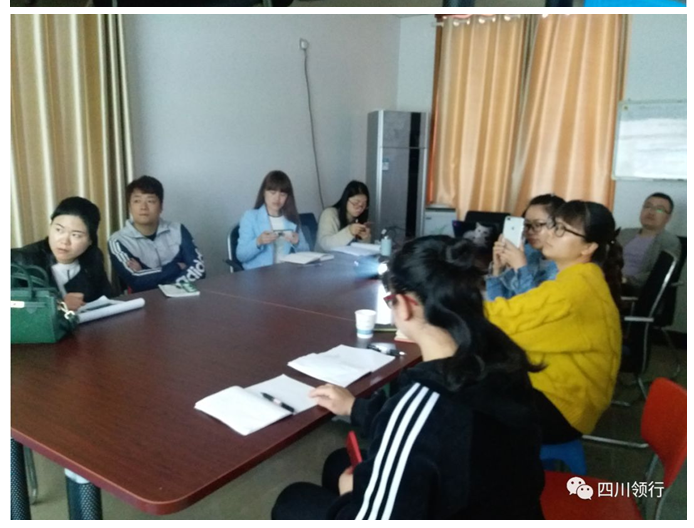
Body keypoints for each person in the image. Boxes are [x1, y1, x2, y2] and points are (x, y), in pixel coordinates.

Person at [272, 236, 545, 520]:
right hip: (504, 504)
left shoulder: (427, 403)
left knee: (293, 499)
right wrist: (355, 408)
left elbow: (415, 426)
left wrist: (349, 498)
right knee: (337, 462)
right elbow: (420, 429)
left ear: (404, 305)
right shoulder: (500, 357)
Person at [485, 201, 623, 444]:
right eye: (552, 225)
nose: (548, 234)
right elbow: (516, 312)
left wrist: (446, 305)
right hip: (561, 391)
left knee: (465, 404)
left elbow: (505, 318)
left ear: (588, 247)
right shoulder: (580, 277)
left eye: (560, 229)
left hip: (565, 408)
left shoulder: (574, 288)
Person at [11, 196, 112, 311]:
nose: (64, 241)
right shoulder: (21, 260)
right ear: (50, 227)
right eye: (59, 230)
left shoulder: (93, 258)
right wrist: (58, 305)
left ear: (90, 240)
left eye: (76, 235)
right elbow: (12, 308)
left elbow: (107, 299)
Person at [109, 175, 205, 293]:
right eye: (137, 201)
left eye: (150, 201)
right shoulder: (118, 240)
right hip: (144, 300)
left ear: (161, 206)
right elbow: (136, 281)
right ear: (130, 207)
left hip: (184, 298)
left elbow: (198, 269)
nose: (143, 207)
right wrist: (176, 267)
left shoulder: (178, 230)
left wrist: (146, 274)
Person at [487, 194, 565, 300]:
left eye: (538, 224)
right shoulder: (528, 252)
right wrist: (497, 269)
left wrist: (521, 267)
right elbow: (499, 302)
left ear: (559, 226)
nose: (530, 231)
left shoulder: (565, 265)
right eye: (527, 225)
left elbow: (536, 306)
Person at [236, 170, 309, 269]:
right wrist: (258, 242)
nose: (277, 198)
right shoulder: (250, 217)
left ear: (288, 197)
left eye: (282, 195)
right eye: (272, 193)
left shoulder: (291, 218)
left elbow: (307, 253)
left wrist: (297, 243)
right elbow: (241, 255)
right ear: (264, 193)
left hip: (287, 272)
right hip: (259, 274)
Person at [617, 193, 681, 295]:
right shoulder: (625, 233)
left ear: (668, 218)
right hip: (609, 282)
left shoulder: (670, 241)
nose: (651, 212)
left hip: (633, 290)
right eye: (647, 206)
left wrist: (625, 280)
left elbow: (659, 273)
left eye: (659, 209)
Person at [315, 180, 371, 252]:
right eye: (356, 203)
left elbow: (361, 251)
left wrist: (365, 238)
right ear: (346, 200)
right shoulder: (329, 214)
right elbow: (325, 244)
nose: (360, 208)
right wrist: (349, 232)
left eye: (363, 204)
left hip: (348, 258)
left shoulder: (360, 218)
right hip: (325, 257)